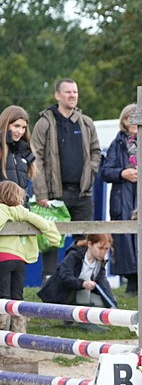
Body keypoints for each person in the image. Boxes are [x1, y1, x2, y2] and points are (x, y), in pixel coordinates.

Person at [30, 78, 102, 280]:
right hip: (53, 194)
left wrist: (90, 172)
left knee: (84, 241)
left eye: (75, 92)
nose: (73, 95)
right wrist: (41, 192)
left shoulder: (86, 122)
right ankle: (49, 283)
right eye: (68, 92)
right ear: (57, 95)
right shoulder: (44, 123)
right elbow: (35, 158)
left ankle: (79, 282)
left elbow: (96, 151)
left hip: (82, 193)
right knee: (51, 240)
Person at [0, 181, 62, 333]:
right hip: (20, 259)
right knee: (17, 295)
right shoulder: (22, 211)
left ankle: (2, 329)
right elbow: (43, 223)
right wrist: (55, 238)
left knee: (3, 295)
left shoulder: (1, 210)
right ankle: (19, 331)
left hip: (3, 258)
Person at [37, 233, 116, 332]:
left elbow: (104, 284)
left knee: (100, 301)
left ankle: (73, 317)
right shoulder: (74, 255)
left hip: (76, 294)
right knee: (85, 278)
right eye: (100, 248)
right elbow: (64, 277)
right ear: (90, 244)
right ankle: (85, 322)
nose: (103, 252)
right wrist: (82, 283)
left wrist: (112, 304)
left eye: (106, 249)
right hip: (59, 295)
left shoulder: (99, 262)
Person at [98, 104, 140, 293]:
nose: (134, 122)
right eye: (130, 118)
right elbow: (106, 171)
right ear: (124, 121)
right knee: (124, 240)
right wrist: (123, 173)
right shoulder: (117, 143)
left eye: (138, 117)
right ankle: (131, 283)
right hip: (122, 198)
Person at [0, 105, 36, 195]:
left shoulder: (25, 151)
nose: (20, 131)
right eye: (16, 126)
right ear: (6, 124)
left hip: (20, 203)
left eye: (24, 127)